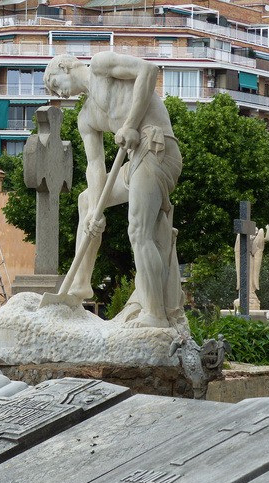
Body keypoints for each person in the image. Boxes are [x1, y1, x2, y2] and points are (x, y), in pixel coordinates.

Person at [44, 53, 183, 328]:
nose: (56, 91)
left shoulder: (101, 65)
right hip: (135, 163)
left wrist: (130, 124)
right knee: (86, 201)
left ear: (63, 65)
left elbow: (149, 69)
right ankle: (80, 286)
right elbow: (95, 166)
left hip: (157, 147)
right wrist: (97, 211)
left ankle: (155, 314)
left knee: (138, 231)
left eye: (53, 82)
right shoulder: (86, 117)